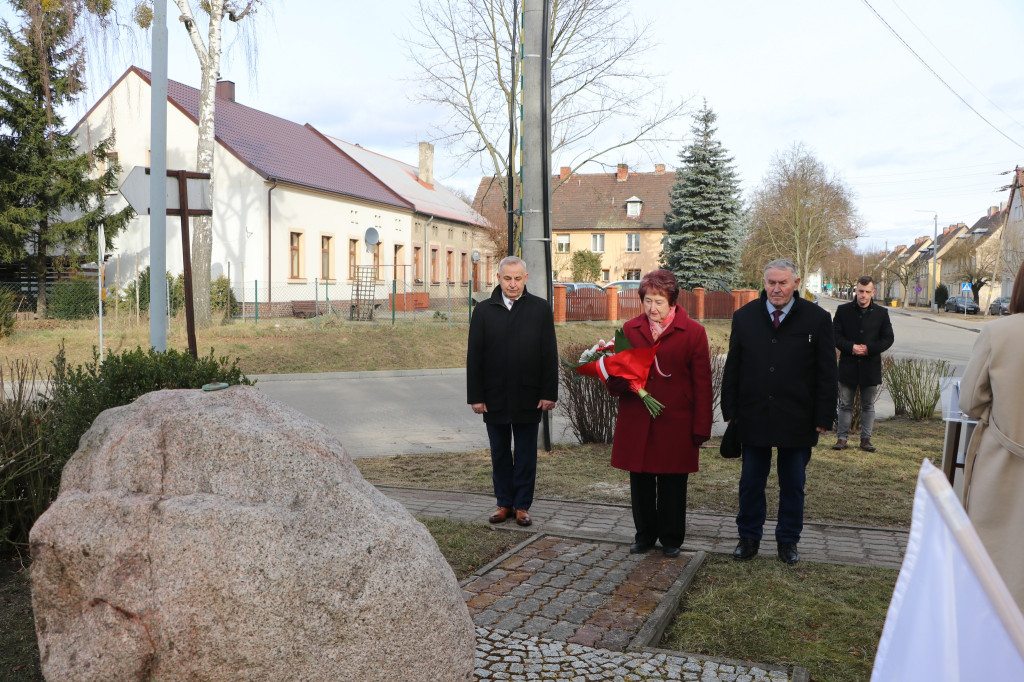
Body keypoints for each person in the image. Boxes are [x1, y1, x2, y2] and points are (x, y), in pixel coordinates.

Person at [721, 258, 837, 565]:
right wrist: (729, 408)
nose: (776, 289)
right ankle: (748, 538)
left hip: (798, 417)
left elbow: (827, 373)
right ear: (764, 282)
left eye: (782, 283)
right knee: (751, 482)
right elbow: (733, 367)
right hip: (753, 414)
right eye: (770, 282)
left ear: (796, 283)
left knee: (793, 483)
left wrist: (825, 416)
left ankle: (788, 541)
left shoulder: (817, 319)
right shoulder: (744, 317)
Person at [606, 270, 713, 558]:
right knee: (640, 481)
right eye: (647, 301)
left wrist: (702, 426)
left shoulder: (693, 332)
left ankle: (671, 538)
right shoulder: (630, 329)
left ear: (673, 302)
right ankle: (644, 534)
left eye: (659, 302)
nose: (652, 308)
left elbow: (703, 383)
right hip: (638, 418)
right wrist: (614, 376)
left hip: (675, 420)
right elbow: (618, 375)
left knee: (672, 482)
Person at [466, 256, 558, 528]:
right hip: (493, 396)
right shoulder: (483, 311)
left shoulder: (540, 309)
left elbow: (548, 354)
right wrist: (476, 396)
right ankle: (503, 503)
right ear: (498, 278)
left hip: (529, 395)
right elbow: (475, 357)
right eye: (508, 278)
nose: (513, 284)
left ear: (526, 279)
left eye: (518, 278)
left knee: (526, 453)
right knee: (500, 452)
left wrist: (548, 393)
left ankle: (522, 507)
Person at [958, 261, 1024, 610]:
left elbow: (969, 399)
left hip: (1003, 463)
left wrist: (997, 416)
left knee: (995, 562)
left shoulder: (999, 333)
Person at [832, 275, 895, 452]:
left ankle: (865, 439)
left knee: (868, 405)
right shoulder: (843, 310)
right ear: (856, 290)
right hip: (848, 364)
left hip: (870, 366)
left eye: (867, 292)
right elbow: (835, 336)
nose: (863, 295)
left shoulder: (882, 313)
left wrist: (869, 349)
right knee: (845, 404)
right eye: (861, 291)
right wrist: (851, 347)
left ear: (873, 292)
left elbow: (888, 338)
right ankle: (842, 438)